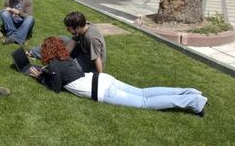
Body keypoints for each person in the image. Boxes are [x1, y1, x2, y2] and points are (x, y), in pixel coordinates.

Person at [29, 37, 208, 117]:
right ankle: (190, 92)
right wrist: (46, 72)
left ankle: (194, 102)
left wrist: (39, 77)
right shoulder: (65, 58)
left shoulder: (53, 65)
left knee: (144, 103)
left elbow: (56, 88)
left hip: (103, 91)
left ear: (47, 52)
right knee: (144, 92)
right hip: (105, 79)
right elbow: (60, 75)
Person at [29, 12, 106, 74]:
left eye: (69, 29)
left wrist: (100, 77)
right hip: (82, 51)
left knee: (68, 68)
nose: (67, 30)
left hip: (90, 61)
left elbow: (97, 59)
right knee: (61, 39)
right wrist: (62, 57)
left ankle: (48, 71)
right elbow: (72, 43)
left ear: (78, 27)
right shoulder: (83, 26)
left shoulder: (91, 38)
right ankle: (32, 52)